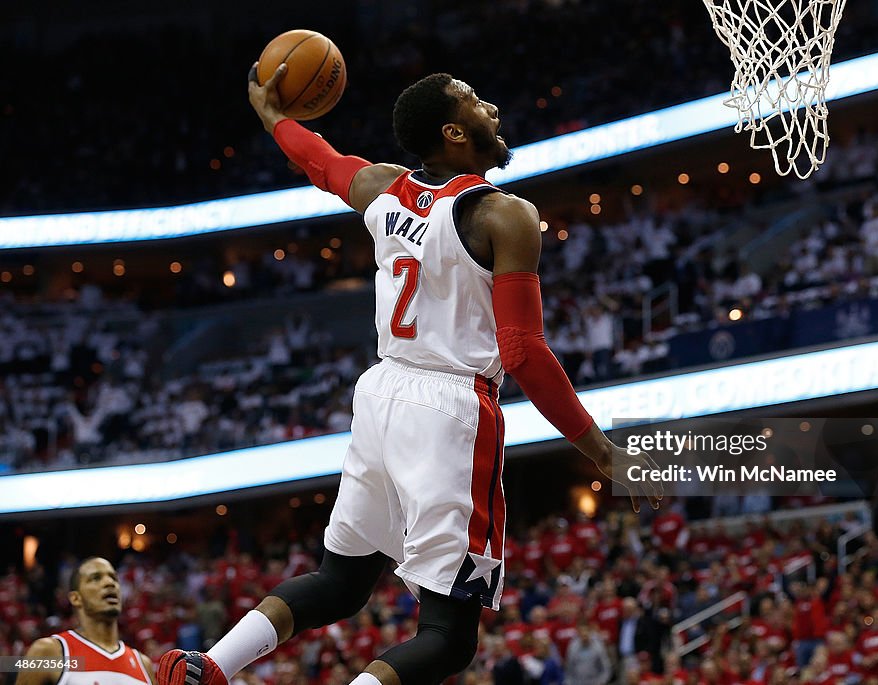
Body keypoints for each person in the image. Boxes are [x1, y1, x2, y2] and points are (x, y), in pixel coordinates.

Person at [157, 67, 661, 685]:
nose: (493, 106)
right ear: (453, 133)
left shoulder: (383, 191)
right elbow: (524, 351)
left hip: (382, 393)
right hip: (452, 409)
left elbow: (321, 161)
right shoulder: (505, 216)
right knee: (449, 637)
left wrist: (272, 117)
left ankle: (206, 665)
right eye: (476, 101)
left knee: (340, 582)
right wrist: (602, 452)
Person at [16, 557, 155, 685]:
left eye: (114, 578)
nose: (109, 583)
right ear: (76, 598)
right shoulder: (48, 652)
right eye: (95, 578)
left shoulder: (144, 665)